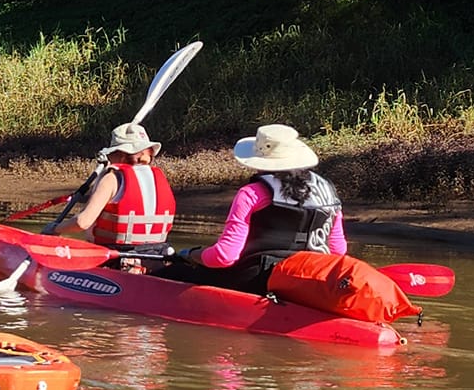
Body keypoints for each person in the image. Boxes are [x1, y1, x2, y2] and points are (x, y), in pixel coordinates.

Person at [166, 122, 343, 293]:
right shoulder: (328, 192)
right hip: (311, 280)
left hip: (257, 279)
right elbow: (338, 251)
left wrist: (192, 254)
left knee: (173, 273)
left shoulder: (252, 194)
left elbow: (224, 256)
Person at [73, 121, 175, 249]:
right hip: (155, 257)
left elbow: (82, 222)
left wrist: (55, 229)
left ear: (119, 154)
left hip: (116, 259)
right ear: (148, 154)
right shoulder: (158, 179)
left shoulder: (112, 179)